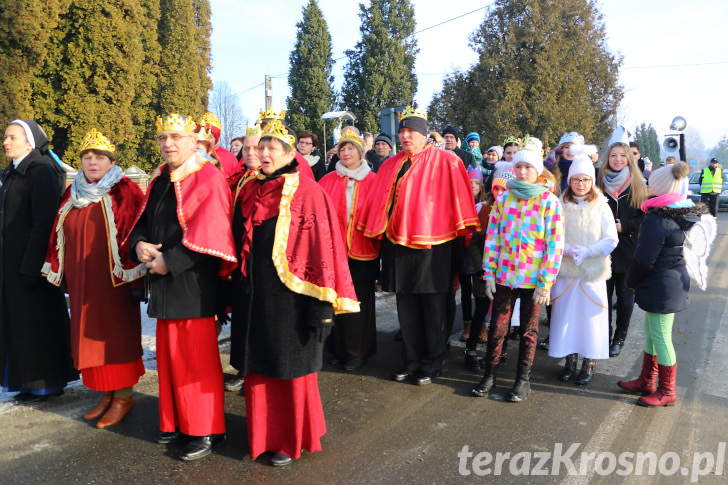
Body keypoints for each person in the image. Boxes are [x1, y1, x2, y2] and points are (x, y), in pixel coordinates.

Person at [231, 118, 358, 466]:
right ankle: (263, 436)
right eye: (261, 147)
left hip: (293, 300)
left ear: (290, 153)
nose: (264, 153)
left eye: (273, 147)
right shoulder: (249, 189)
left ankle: (289, 439)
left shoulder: (308, 191)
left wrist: (322, 309)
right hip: (256, 296)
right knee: (260, 368)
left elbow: (323, 252)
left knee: (288, 370)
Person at [127, 113, 237, 461]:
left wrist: (168, 262)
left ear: (194, 140)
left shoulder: (209, 177)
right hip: (163, 284)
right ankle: (175, 420)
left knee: (197, 362)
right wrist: (140, 245)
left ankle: (204, 428)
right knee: (170, 359)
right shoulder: (160, 177)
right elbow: (142, 221)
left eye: (175, 136)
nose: (167, 144)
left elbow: (211, 234)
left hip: (193, 285)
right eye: (162, 137)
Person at [358, 107, 480, 386]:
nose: (404, 136)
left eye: (410, 132)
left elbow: (460, 201)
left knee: (434, 307)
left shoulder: (447, 161)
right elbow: (379, 202)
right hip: (398, 245)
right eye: (401, 132)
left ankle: (432, 362)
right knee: (407, 307)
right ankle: (411, 359)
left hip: (434, 246)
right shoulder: (390, 164)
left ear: (424, 135)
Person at [43, 129, 146, 427]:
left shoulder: (125, 190)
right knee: (89, 339)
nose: (92, 161)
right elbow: (56, 234)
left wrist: (138, 283)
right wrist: (59, 270)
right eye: (87, 156)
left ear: (110, 161)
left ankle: (123, 396)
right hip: (82, 281)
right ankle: (106, 394)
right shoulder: (72, 191)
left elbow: (137, 235)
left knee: (114, 340)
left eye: (99, 156)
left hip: (115, 284)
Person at [472, 136, 564, 402]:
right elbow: (493, 239)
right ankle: (490, 374)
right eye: (519, 166)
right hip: (505, 278)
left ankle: (522, 380)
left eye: (529, 167)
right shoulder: (504, 201)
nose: (523, 172)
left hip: (533, 281)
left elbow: (554, 245)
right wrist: (488, 273)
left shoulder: (548, 202)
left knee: (528, 330)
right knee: (498, 328)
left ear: (537, 171)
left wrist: (546, 282)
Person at [620, 162, 715, 407]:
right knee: (653, 334)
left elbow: (643, 259)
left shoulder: (657, 219)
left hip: (661, 285)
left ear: (658, 187)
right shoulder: (683, 212)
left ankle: (666, 390)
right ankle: (646, 380)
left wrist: (631, 281)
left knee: (661, 337)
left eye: (651, 183)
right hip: (670, 283)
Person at [1, 119, 77, 404]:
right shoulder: (13, 172)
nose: (6, 142)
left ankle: (47, 383)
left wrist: (32, 266)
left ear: (29, 141)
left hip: (33, 265)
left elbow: (43, 223)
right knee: (20, 325)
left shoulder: (40, 170)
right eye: (5, 138)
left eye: (12, 137)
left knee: (38, 324)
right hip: (12, 265)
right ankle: (28, 382)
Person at [548, 153, 618, 386]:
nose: (580, 184)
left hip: (591, 271)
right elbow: (551, 233)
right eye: (576, 180)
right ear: (570, 181)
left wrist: (588, 251)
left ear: (592, 181)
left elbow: (611, 238)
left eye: (585, 180)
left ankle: (589, 362)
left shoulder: (601, 205)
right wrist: (566, 249)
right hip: (567, 270)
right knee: (567, 316)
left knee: (589, 319)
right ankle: (570, 360)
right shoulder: (559, 203)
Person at [319, 131, 379, 371]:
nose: (346, 153)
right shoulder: (327, 180)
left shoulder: (373, 180)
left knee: (358, 303)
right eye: (342, 149)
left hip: (363, 252)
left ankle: (359, 351)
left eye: (351, 149)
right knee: (335, 301)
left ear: (360, 152)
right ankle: (336, 348)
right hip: (334, 252)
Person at [596, 141, 648, 357]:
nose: (617, 160)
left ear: (629, 159)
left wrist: (624, 225)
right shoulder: (598, 183)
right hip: (603, 250)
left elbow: (645, 219)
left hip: (628, 250)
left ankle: (619, 337)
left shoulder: (639, 184)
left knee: (625, 298)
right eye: (613, 156)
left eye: (622, 156)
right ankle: (604, 335)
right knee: (603, 298)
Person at [459, 166, 486, 345]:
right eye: (470, 182)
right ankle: (467, 324)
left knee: (480, 292)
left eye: (476, 183)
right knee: (465, 291)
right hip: (463, 251)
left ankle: (481, 324)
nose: (473, 186)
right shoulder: (460, 202)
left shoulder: (485, 205)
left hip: (479, 253)